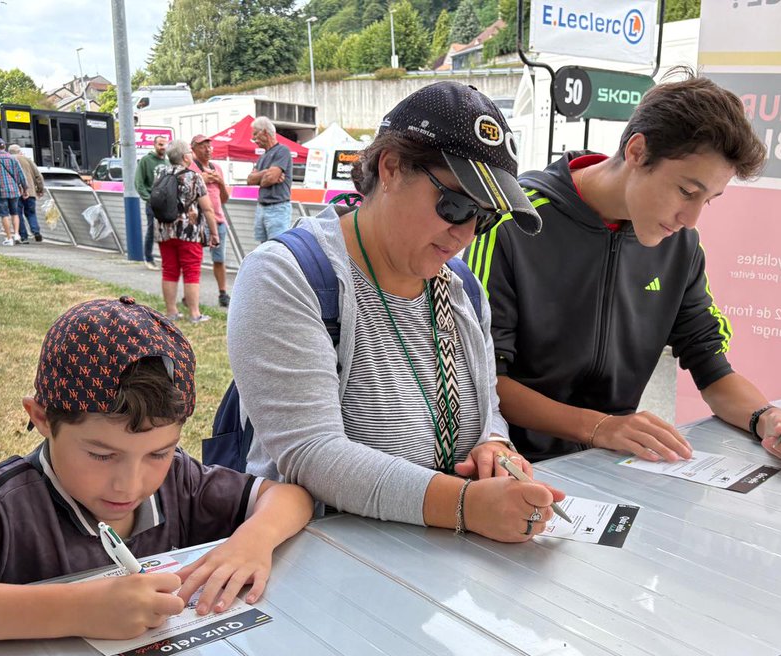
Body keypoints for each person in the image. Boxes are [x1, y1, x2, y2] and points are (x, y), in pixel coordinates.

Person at [468, 70, 781, 656]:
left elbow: (712, 364)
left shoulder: (680, 247)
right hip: (508, 475)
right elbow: (483, 377)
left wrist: (768, 419)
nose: (692, 217)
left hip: (613, 486)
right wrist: (596, 426)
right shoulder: (515, 220)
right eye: (687, 191)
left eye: (711, 200)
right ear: (635, 152)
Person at [0, 297, 313, 648]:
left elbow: (290, 497)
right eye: (101, 455)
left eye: (158, 453)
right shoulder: (1, 507)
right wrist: (73, 610)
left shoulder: (179, 480)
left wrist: (253, 540)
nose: (131, 484)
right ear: (41, 417)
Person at [228, 82, 560, 544]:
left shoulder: (462, 288)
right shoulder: (287, 275)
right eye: (456, 204)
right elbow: (311, 453)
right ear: (390, 167)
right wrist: (465, 505)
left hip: (441, 557)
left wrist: (494, 444)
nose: (465, 233)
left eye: (484, 218)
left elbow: (487, 407)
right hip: (331, 561)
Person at [154, 139, 219, 324]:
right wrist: (214, 233)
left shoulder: (160, 174)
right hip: (189, 232)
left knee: (169, 270)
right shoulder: (194, 177)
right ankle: (194, 314)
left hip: (164, 230)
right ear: (185, 157)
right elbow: (207, 208)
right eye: (189, 152)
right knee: (191, 271)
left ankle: (171, 312)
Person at [190, 133, 232, 307]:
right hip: (198, 220)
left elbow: (224, 199)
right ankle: (191, 295)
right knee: (193, 259)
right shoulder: (191, 168)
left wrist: (220, 182)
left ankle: (223, 293)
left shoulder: (217, 168)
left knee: (219, 259)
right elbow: (186, 195)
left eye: (209, 146)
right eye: (202, 146)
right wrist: (201, 179)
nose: (207, 149)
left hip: (218, 219)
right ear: (193, 149)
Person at [246, 116, 292, 243]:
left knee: (276, 247)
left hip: (278, 208)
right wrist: (266, 172)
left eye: (255, 134)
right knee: (263, 247)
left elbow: (270, 179)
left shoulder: (282, 151)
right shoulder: (262, 157)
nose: (254, 139)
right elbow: (249, 180)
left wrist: (261, 177)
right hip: (262, 207)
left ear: (265, 132)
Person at [135, 135, 169, 270]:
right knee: (152, 230)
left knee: (166, 231)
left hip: (166, 204)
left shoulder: (167, 162)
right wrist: (149, 199)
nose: (163, 147)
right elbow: (139, 182)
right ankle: (149, 258)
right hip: (152, 203)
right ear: (154, 145)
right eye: (160, 144)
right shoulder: (146, 160)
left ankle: (166, 259)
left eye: (165, 144)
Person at [8, 143, 45, 243]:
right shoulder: (28, 160)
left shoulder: (8, 160)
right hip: (30, 191)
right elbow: (38, 176)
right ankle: (36, 231)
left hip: (15, 192)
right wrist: (40, 189)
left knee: (18, 214)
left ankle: (23, 236)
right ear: (20, 151)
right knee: (31, 213)